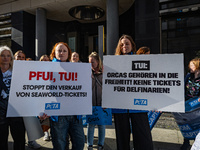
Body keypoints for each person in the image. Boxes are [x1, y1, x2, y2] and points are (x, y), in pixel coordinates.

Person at [113, 35, 153, 150]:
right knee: (122, 139)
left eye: (127, 44)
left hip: (138, 106)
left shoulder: (140, 59)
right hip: (120, 107)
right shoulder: (113, 62)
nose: (124, 46)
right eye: (122, 44)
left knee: (142, 138)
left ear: (132, 45)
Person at [49, 42, 85, 150]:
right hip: (58, 115)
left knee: (80, 143)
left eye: (64, 51)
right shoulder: (47, 68)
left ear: (68, 53)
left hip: (75, 114)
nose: (62, 53)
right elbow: (41, 91)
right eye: (59, 50)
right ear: (54, 53)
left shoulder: (76, 68)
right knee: (60, 145)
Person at [14, 50, 41, 149]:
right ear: (14, 58)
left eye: (22, 57)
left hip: (27, 102)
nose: (20, 59)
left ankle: (31, 141)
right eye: (18, 57)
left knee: (29, 124)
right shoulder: (10, 70)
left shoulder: (28, 70)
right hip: (14, 105)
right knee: (18, 131)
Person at [0, 46, 26, 150]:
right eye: (2, 55)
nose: (5, 58)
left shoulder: (18, 71)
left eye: (8, 55)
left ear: (11, 57)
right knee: (1, 139)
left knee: (19, 138)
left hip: (16, 109)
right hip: (1, 111)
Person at [174, 58, 200, 150]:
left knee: (196, 123)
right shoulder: (189, 76)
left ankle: (196, 143)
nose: (190, 67)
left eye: (192, 65)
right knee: (186, 121)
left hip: (197, 105)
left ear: (197, 66)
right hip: (187, 102)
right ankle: (186, 142)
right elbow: (182, 85)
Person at [87, 52, 105, 150]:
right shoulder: (88, 73)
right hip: (91, 104)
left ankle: (100, 144)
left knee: (101, 125)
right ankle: (89, 144)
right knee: (91, 125)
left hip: (102, 104)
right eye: (89, 63)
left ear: (98, 62)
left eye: (93, 62)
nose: (91, 65)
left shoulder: (104, 73)